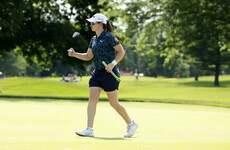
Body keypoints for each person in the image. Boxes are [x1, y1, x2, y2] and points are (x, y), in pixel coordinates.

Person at [67, 13, 138, 138]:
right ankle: (89, 129)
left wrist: (113, 63)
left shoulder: (109, 37)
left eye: (93, 23)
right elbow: (89, 56)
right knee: (92, 100)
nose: (90, 25)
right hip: (97, 73)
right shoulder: (94, 39)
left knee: (113, 103)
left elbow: (121, 51)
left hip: (110, 73)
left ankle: (131, 124)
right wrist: (75, 54)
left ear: (100, 24)